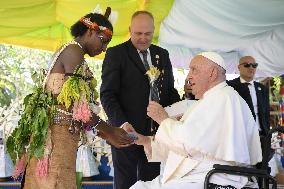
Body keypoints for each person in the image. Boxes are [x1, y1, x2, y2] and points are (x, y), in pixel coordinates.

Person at [7, 8, 133, 189]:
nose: (104, 48)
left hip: (61, 138)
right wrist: (110, 130)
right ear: (90, 31)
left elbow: (79, 113)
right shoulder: (74, 51)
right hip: (56, 139)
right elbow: (78, 107)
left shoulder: (73, 51)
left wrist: (106, 133)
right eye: (103, 41)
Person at [130, 52, 262, 189]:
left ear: (212, 73)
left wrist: (163, 119)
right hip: (199, 174)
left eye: (194, 70)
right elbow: (189, 145)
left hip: (214, 177)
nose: (188, 77)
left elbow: (188, 144)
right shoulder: (210, 99)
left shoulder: (223, 98)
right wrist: (145, 141)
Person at [100, 10, 180, 189]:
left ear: (154, 31)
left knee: (153, 183)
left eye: (147, 34)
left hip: (156, 135)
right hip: (126, 133)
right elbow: (107, 94)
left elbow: (169, 91)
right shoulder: (116, 54)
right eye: (138, 33)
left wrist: (179, 113)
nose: (143, 38)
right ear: (130, 30)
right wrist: (122, 123)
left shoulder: (163, 55)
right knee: (125, 183)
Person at [227, 56, 271, 168]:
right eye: (247, 65)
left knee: (262, 169)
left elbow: (266, 114)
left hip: (261, 135)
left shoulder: (262, 88)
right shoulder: (230, 86)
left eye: (254, 65)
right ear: (239, 67)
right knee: (242, 168)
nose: (251, 68)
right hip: (240, 136)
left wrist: (267, 133)